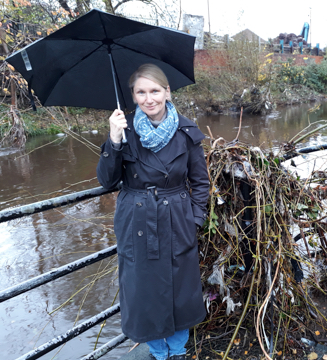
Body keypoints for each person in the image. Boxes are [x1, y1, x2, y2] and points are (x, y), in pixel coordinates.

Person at [96, 64, 209, 360]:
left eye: (155, 91)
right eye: (141, 92)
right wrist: (114, 140)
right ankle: (159, 353)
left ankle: (179, 350)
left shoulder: (186, 131)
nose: (149, 99)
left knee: (181, 287)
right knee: (145, 290)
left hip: (178, 218)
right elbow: (107, 181)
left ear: (167, 92)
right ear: (132, 96)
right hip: (137, 219)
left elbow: (200, 182)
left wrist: (195, 219)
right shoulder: (124, 130)